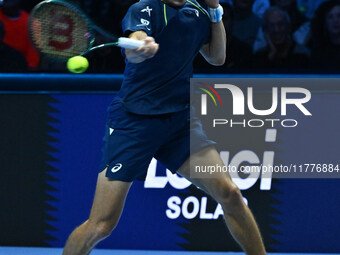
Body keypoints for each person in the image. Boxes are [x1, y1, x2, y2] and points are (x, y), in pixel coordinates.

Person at [62, 0, 267, 254]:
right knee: (101, 225)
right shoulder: (144, 8)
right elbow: (133, 46)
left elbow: (217, 57)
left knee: (231, 194)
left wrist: (215, 11)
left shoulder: (198, 12)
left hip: (179, 122)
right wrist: (141, 46)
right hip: (134, 123)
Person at [252, 6, 310, 72]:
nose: (276, 30)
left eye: (281, 24)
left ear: (289, 27)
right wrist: (271, 55)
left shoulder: (302, 55)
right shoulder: (259, 57)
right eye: (271, 25)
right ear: (264, 30)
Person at [0, 0, 40, 70]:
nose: (5, 7)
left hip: (18, 65)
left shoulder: (31, 23)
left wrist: (31, 69)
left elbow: (33, 52)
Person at [310, 0, 340, 72]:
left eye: (339, 16)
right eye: (330, 17)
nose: (335, 20)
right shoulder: (318, 52)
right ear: (325, 23)